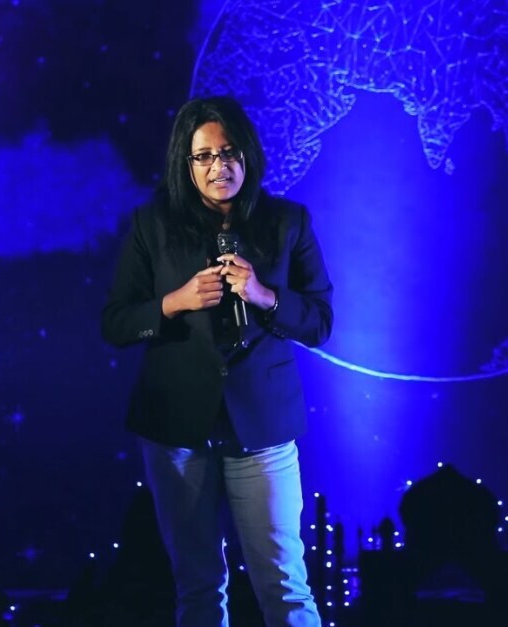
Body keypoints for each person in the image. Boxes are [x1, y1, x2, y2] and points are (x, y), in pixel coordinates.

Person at [101, 95, 331, 627]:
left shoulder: (288, 222)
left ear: (246, 154)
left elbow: (320, 322)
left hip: (263, 428)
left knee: (285, 584)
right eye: (203, 156)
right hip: (177, 430)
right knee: (199, 586)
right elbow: (115, 322)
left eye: (227, 153)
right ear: (186, 163)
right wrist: (172, 303)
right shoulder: (152, 225)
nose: (217, 167)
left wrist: (265, 295)